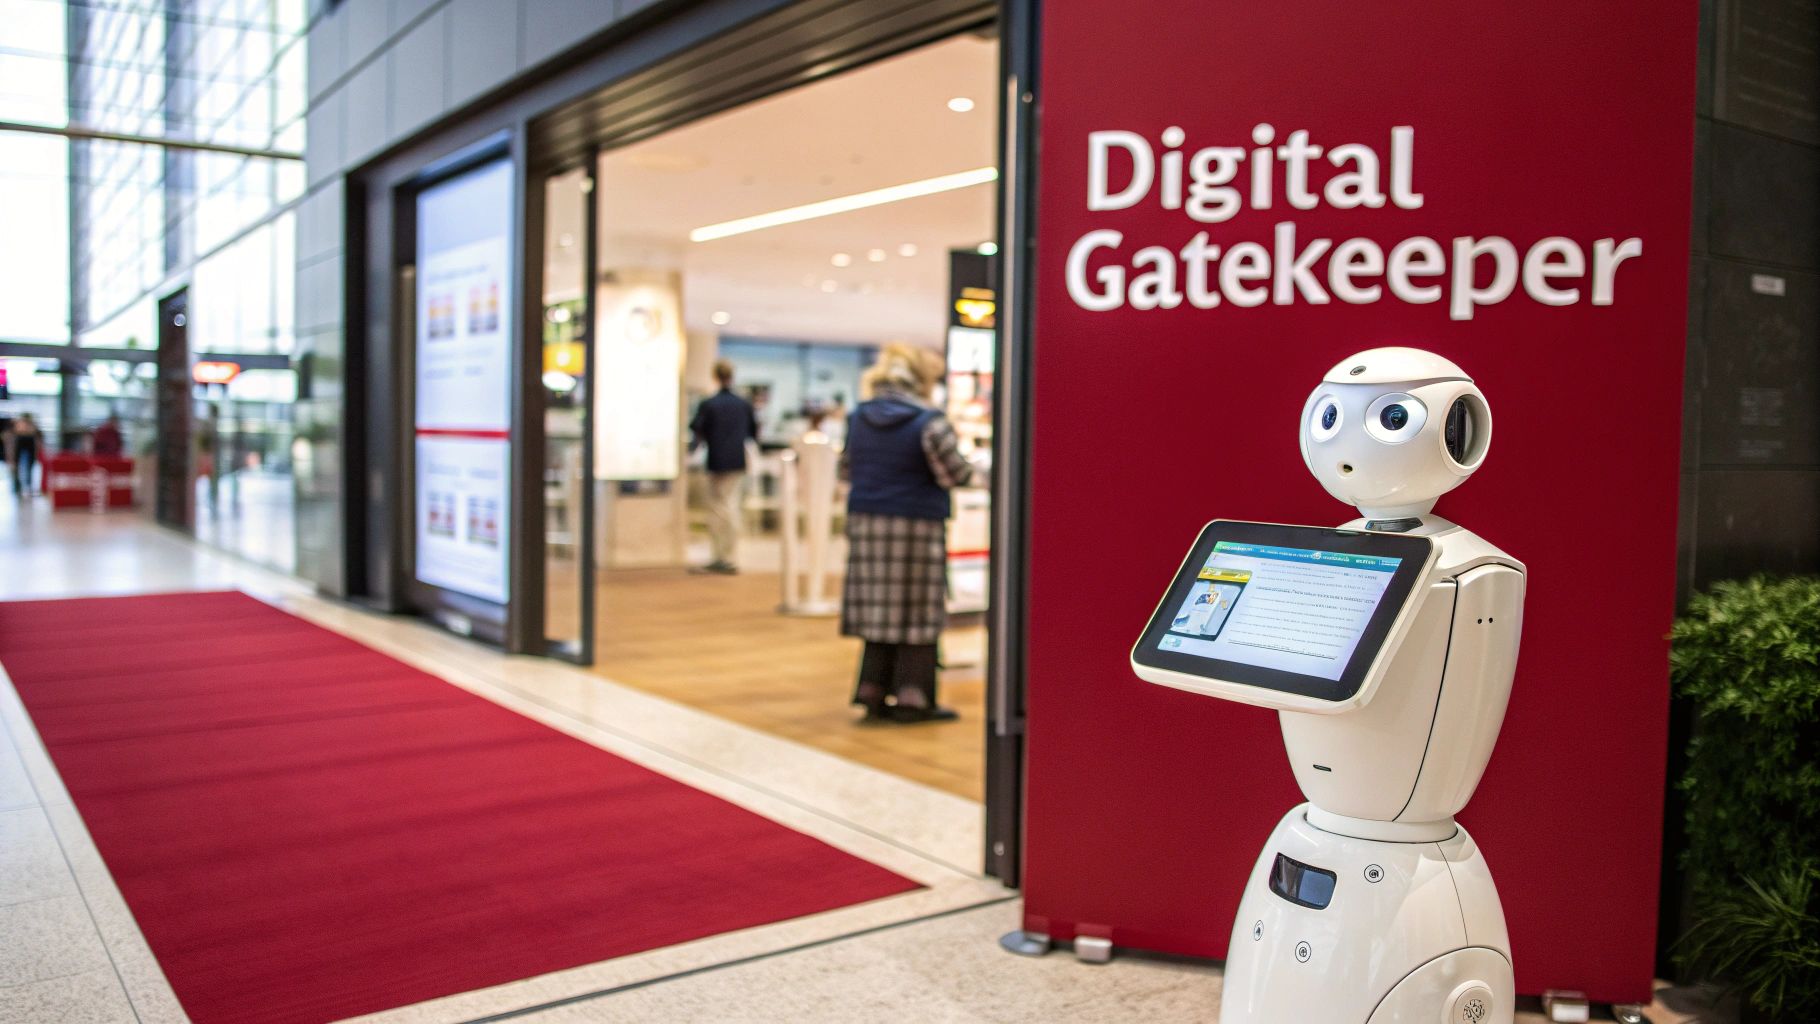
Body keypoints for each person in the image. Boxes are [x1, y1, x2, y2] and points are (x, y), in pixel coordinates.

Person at [840, 342, 975, 724]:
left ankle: (872, 691)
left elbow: (846, 470)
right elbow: (956, 474)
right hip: (916, 524)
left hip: (866, 522)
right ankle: (915, 697)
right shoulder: (928, 420)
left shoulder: (858, 417)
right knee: (917, 612)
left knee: (878, 610)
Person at [688, 359, 758, 574]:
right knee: (729, 506)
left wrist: (691, 452)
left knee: (720, 508)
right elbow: (753, 433)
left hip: (718, 460)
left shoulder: (710, 404)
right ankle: (727, 554)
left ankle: (723, 555)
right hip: (736, 461)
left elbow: (698, 432)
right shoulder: (743, 404)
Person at [10, 413, 41, 497]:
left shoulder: (32, 426)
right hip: (20, 441)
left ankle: (29, 485)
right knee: (16, 465)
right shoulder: (18, 425)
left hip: (29, 441)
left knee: (30, 466)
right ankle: (17, 486)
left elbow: (36, 435)